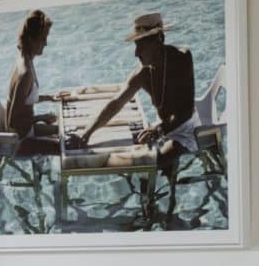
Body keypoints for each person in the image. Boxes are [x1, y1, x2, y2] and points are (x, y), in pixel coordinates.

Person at [78, 12, 197, 183]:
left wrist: (158, 130)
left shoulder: (181, 57)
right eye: (136, 46)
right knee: (135, 163)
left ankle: (153, 202)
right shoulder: (143, 72)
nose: (136, 53)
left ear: (158, 41)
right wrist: (88, 132)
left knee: (148, 164)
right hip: (162, 125)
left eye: (140, 46)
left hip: (185, 126)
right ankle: (149, 199)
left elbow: (186, 110)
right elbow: (116, 103)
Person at [4, 9, 60, 151]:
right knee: (69, 145)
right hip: (20, 140)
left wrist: (49, 97)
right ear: (31, 39)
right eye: (43, 38)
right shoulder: (25, 73)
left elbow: (25, 98)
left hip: (26, 131)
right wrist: (41, 117)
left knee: (65, 131)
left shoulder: (24, 59)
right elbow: (13, 121)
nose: (46, 44)